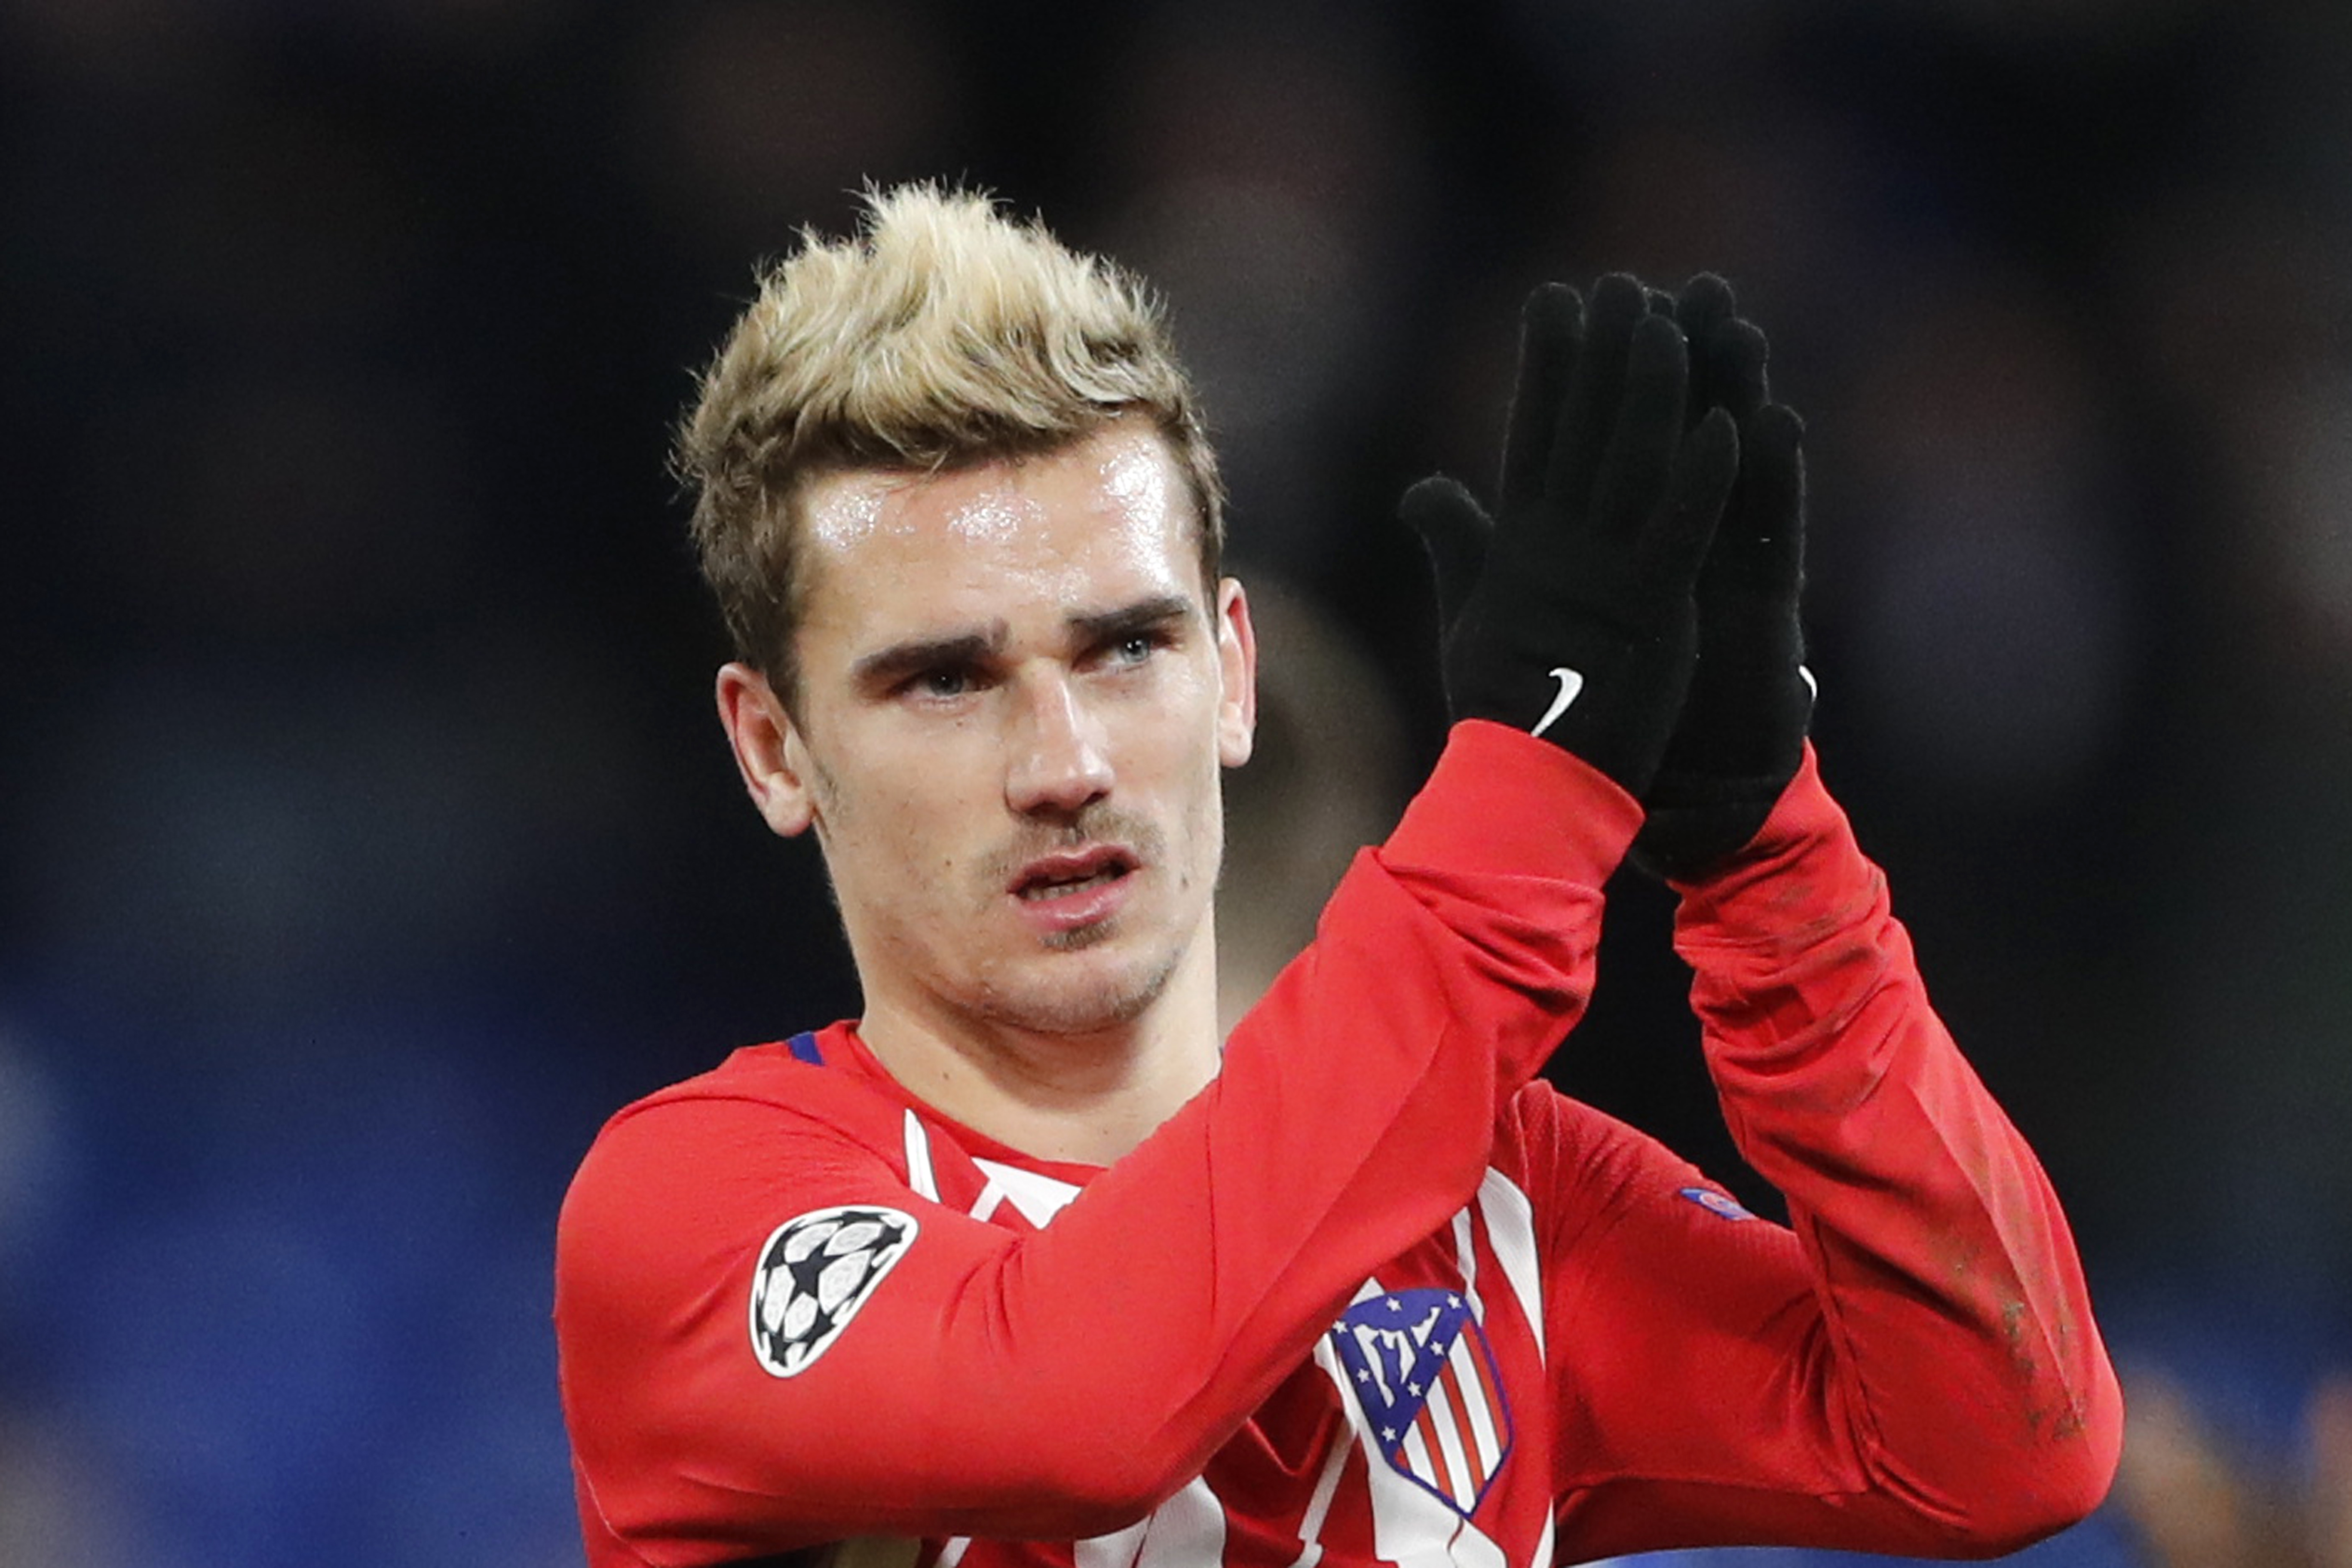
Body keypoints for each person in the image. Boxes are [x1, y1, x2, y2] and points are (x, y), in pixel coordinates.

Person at [554, 183, 2122, 1568]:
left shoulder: (1507, 1199)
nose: (1065, 763)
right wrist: (1531, 781)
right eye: (946, 682)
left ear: (1234, 673)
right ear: (773, 748)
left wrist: (1764, 844)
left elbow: (2001, 1444)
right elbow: (1083, 1412)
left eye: (1128, 647)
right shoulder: (695, 1211)